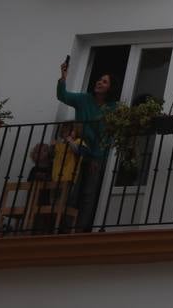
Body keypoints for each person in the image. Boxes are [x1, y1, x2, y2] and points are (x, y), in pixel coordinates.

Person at [57, 62, 116, 231]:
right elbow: (63, 96)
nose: (99, 82)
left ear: (111, 88)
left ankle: (81, 230)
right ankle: (66, 229)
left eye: (104, 82)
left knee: (88, 195)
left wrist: (97, 158)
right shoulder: (83, 99)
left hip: (95, 156)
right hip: (78, 153)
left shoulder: (113, 108)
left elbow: (105, 137)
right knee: (72, 193)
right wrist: (63, 77)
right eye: (99, 80)